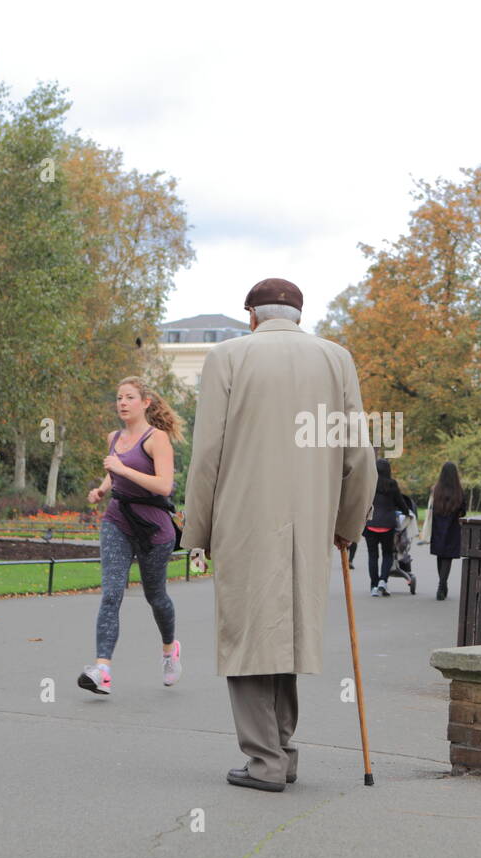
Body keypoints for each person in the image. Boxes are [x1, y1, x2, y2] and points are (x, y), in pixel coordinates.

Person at [181, 278, 375, 793]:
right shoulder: (337, 359)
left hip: (244, 517)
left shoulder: (227, 358)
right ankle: (281, 752)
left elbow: (206, 456)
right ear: (298, 314)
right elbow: (360, 459)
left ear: (252, 315)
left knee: (247, 638)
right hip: (310, 522)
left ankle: (264, 761)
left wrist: (196, 531)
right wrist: (346, 527)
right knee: (283, 635)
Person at [81, 377, 184, 696]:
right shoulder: (114, 437)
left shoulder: (158, 439)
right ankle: (102, 670)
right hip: (118, 520)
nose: (122, 403)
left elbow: (164, 486)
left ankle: (169, 651)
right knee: (111, 593)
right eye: (118, 397)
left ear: (145, 403)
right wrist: (103, 488)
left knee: (156, 597)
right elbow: (114, 469)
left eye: (129, 397)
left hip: (154, 528)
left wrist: (121, 471)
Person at [364, 458, 409, 596]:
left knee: (372, 555)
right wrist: (407, 512)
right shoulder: (392, 485)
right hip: (388, 525)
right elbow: (400, 502)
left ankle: (373, 585)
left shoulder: (369, 483)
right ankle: (383, 581)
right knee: (387, 554)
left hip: (370, 524)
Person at [428, 461, 466, 600]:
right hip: (452, 528)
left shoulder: (436, 490)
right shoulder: (459, 491)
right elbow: (463, 511)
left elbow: (432, 508)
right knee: (447, 557)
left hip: (438, 527)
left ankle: (442, 585)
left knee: (440, 555)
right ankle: (442, 585)